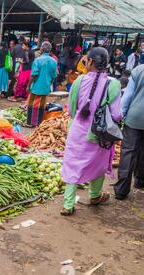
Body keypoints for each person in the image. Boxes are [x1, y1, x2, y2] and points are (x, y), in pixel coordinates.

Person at [61, 47, 122, 216]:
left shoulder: (79, 81)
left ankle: (68, 204)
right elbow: (116, 114)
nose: (84, 63)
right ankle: (95, 196)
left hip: (77, 132)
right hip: (100, 134)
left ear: (91, 62)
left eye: (86, 60)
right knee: (98, 164)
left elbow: (72, 111)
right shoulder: (114, 84)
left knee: (73, 165)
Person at [114, 64, 144, 200]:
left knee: (128, 152)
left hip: (134, 118)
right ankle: (140, 181)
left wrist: (120, 116)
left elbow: (127, 96)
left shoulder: (139, 70)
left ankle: (121, 190)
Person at [25, 41, 57, 127]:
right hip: (46, 86)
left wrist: (28, 86)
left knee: (32, 104)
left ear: (42, 49)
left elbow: (34, 75)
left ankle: (31, 122)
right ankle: (39, 122)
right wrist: (50, 84)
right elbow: (54, 76)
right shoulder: (53, 61)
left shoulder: (38, 60)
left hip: (36, 86)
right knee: (42, 105)